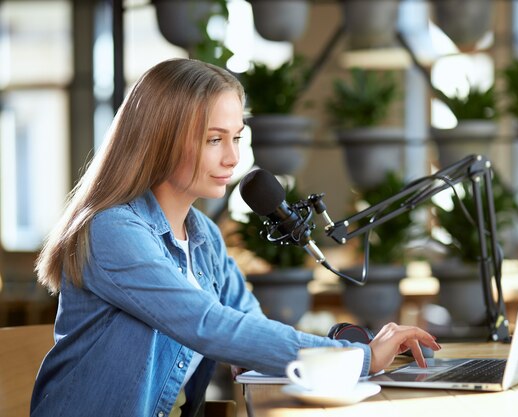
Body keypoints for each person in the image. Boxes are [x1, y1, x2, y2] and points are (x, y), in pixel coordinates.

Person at [30, 58, 441, 417]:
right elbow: (210, 326)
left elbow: (248, 326)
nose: (233, 158)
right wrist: (360, 357)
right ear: (160, 140)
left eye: (237, 137)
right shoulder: (113, 231)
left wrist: (338, 355)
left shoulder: (203, 235)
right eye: (214, 139)